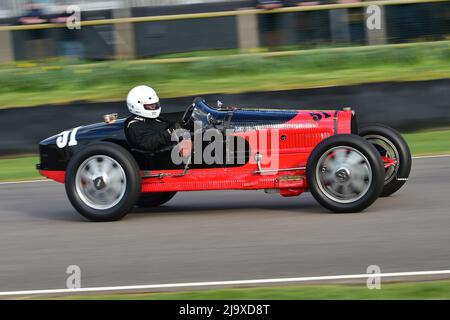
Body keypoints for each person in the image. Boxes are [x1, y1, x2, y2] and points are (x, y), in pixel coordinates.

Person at [126, 85, 191, 157]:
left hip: (177, 148)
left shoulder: (156, 119)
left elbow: (171, 125)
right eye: (150, 105)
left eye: (155, 104)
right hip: (163, 157)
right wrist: (170, 132)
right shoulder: (135, 126)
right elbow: (149, 144)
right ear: (136, 106)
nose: (154, 107)